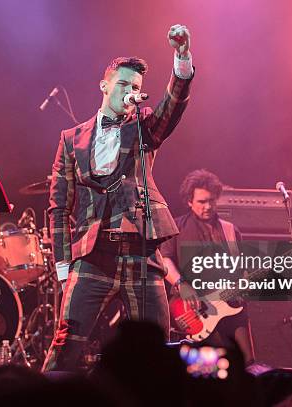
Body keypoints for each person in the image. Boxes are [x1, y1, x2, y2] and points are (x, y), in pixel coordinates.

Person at [43, 24, 194, 372]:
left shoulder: (144, 128)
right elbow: (58, 207)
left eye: (136, 87)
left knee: (156, 355)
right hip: (93, 257)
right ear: (105, 85)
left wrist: (182, 57)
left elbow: (173, 105)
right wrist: (64, 267)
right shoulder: (71, 139)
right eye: (124, 84)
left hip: (141, 254)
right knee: (66, 348)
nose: (130, 91)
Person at [160, 169, 255, 363]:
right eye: (202, 202)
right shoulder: (177, 228)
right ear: (189, 202)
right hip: (194, 308)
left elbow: (241, 268)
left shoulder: (230, 230)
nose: (208, 206)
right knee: (218, 362)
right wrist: (181, 284)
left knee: (248, 362)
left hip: (232, 305)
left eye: (211, 200)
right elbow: (164, 260)